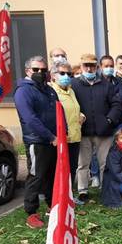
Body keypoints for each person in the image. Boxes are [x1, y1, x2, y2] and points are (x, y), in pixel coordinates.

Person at [14, 56, 58, 228]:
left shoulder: (48, 89)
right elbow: (30, 119)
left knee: (50, 175)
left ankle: (51, 206)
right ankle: (31, 212)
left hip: (52, 140)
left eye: (43, 70)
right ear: (27, 71)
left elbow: (57, 112)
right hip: (37, 141)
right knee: (36, 176)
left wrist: (61, 134)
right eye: (36, 70)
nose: (40, 73)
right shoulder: (23, 92)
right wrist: (50, 137)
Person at [71, 53, 121, 202]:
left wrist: (109, 120)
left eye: (92, 65)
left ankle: (105, 188)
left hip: (104, 132)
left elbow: (116, 104)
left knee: (105, 162)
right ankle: (83, 190)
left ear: (97, 67)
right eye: (86, 65)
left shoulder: (106, 85)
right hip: (83, 131)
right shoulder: (74, 84)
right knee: (83, 163)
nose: (89, 68)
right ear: (81, 67)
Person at [48, 62, 84, 194]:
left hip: (75, 137)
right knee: (61, 171)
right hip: (62, 138)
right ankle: (58, 198)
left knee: (72, 168)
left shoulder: (71, 90)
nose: (66, 76)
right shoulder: (51, 92)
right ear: (53, 76)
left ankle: (69, 197)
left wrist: (82, 115)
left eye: (69, 74)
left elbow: (74, 109)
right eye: (62, 73)